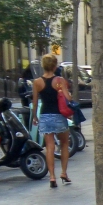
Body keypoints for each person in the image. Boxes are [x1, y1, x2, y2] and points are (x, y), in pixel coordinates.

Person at [31, 53, 72, 188]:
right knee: (64, 143)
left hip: (45, 115)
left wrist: (35, 117)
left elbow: (35, 102)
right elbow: (68, 98)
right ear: (55, 66)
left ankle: (52, 177)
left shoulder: (37, 82)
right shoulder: (59, 80)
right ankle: (64, 173)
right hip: (59, 115)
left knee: (49, 146)